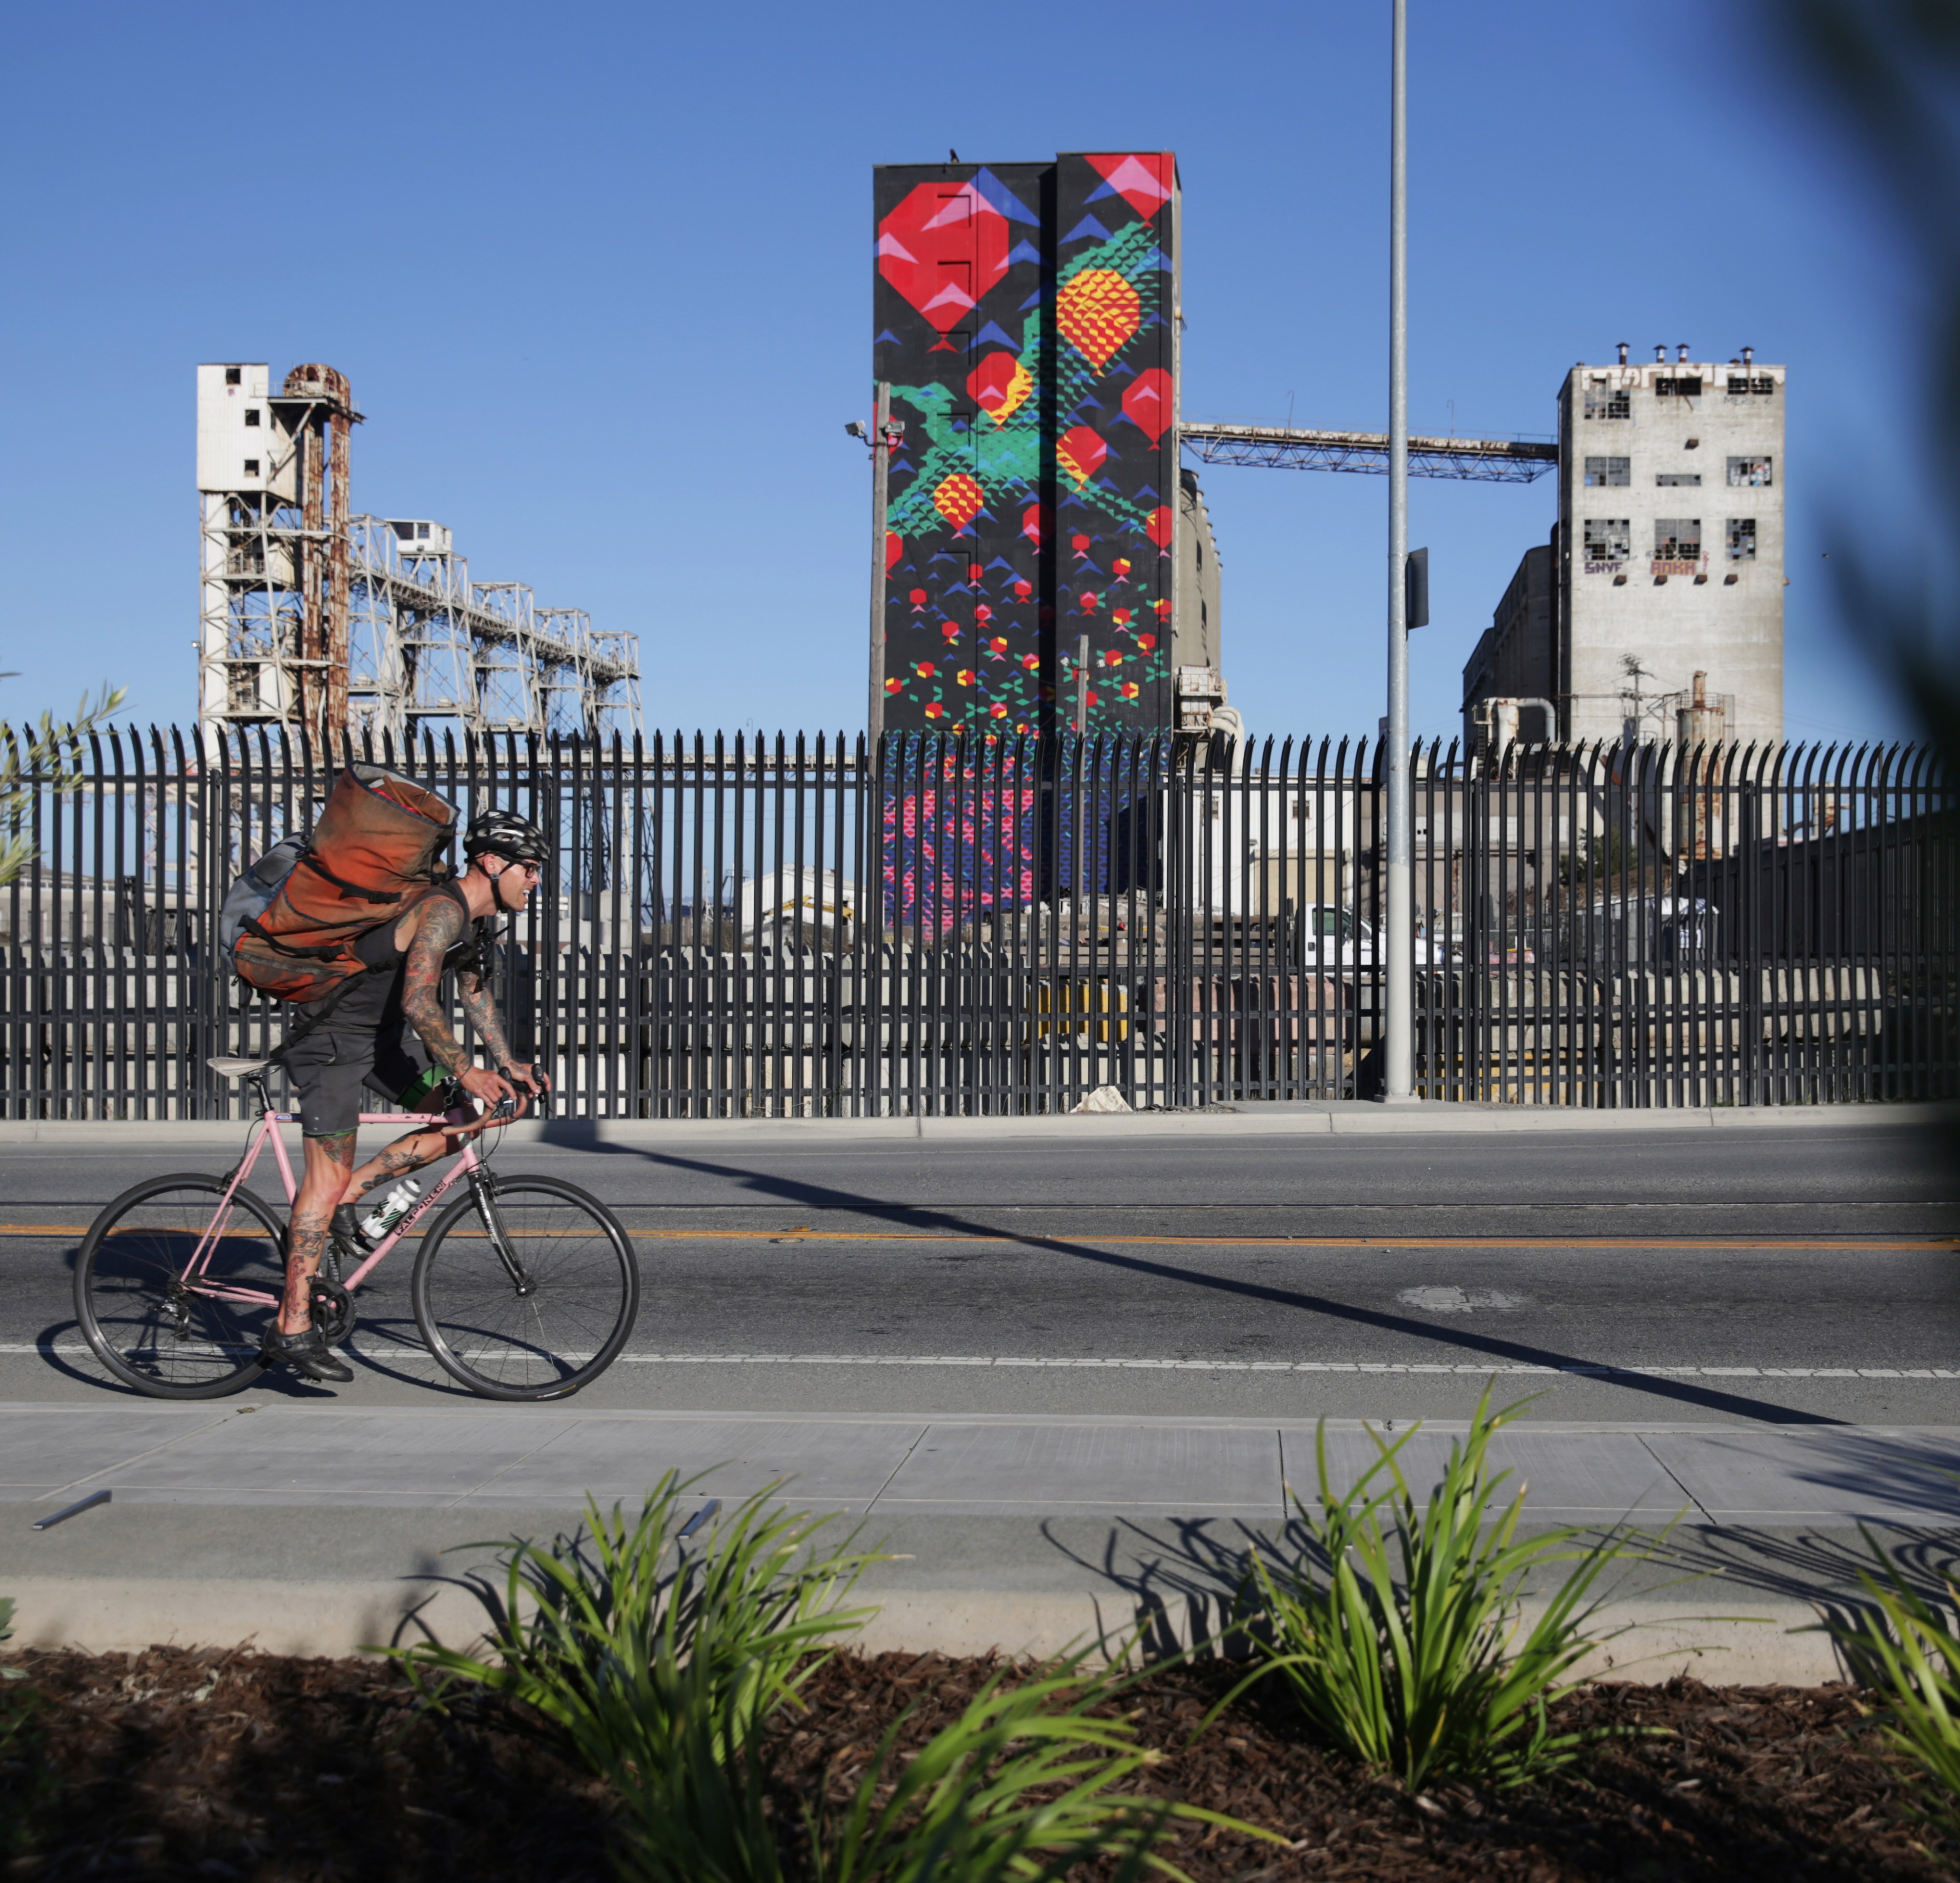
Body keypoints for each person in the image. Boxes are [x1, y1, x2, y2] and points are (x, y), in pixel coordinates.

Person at [266, 806, 553, 1383]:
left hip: (381, 1043)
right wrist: (467, 1068)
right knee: (322, 1178)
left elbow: (474, 995)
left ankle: (351, 1195)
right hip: (330, 1040)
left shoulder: (473, 923)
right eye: (528, 868)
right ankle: (290, 1326)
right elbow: (420, 1002)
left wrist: (506, 1064)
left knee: (469, 1116)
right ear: (492, 863)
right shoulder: (442, 910)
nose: (536, 880)